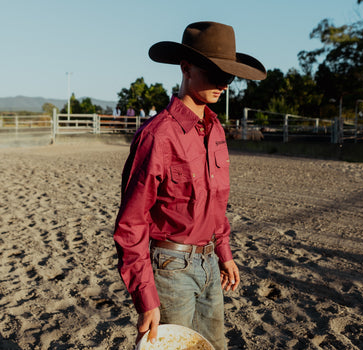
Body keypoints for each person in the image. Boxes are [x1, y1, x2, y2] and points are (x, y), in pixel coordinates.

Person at [113, 21, 266, 349]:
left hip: (209, 262)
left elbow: (216, 205)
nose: (223, 84)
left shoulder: (216, 131)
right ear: (186, 68)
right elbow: (131, 224)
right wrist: (146, 297)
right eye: (214, 72)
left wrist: (223, 253)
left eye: (229, 76)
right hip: (169, 269)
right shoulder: (158, 137)